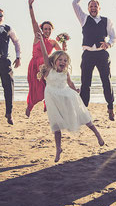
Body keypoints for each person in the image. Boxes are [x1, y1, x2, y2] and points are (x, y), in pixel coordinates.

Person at [36, 32, 105, 162]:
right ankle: (58, 149)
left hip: (66, 96)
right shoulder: (50, 69)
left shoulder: (65, 72)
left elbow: (70, 83)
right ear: (54, 61)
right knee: (56, 125)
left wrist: (75, 89)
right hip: (52, 98)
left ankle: (98, 135)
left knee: (83, 115)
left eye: (65, 60)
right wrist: (41, 41)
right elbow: (45, 54)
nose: (63, 62)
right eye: (60, 60)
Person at [72, 0, 116, 120]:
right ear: (88, 8)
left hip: (102, 54)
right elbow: (74, 4)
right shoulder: (83, 18)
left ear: (99, 8)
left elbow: (114, 37)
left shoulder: (106, 20)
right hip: (88, 54)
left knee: (106, 81)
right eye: (91, 6)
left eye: (95, 6)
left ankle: (110, 107)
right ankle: (83, 110)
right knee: (85, 83)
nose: (93, 8)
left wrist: (108, 44)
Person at [25, 0, 64, 117]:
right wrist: (30, 5)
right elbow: (33, 20)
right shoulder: (38, 36)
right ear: (42, 29)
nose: (47, 31)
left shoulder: (53, 42)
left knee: (49, 83)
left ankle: (47, 102)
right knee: (34, 87)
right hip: (35, 64)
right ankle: (30, 106)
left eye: (49, 29)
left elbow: (61, 53)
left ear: (52, 30)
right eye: (45, 29)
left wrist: (64, 45)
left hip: (46, 65)